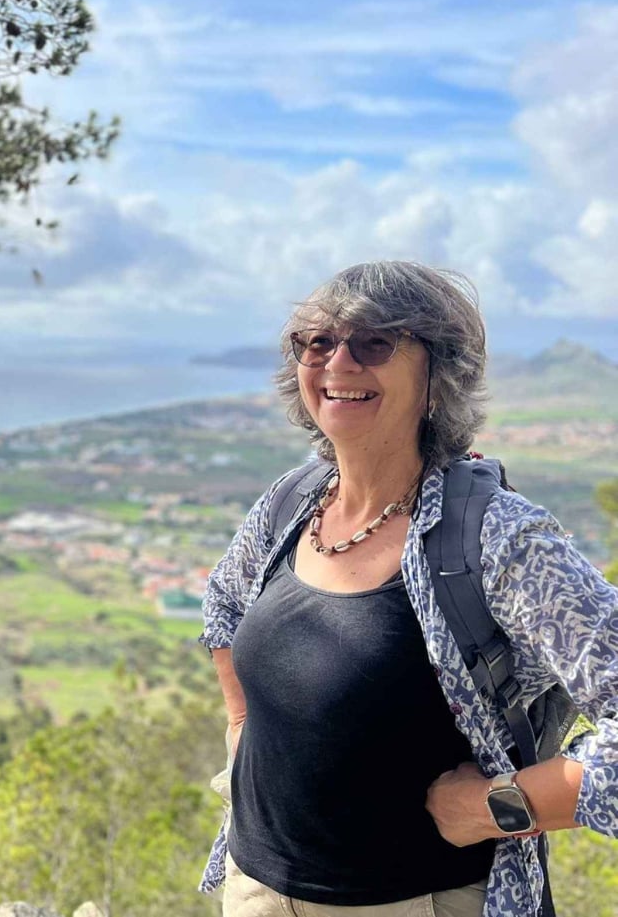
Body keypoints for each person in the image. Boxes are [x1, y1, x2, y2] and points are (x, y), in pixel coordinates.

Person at [198, 261, 618, 917]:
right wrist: (242, 728)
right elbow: (224, 605)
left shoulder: (496, 538)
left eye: (374, 341)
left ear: (436, 375)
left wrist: (494, 806)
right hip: (255, 889)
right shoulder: (293, 499)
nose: (338, 361)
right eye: (317, 341)